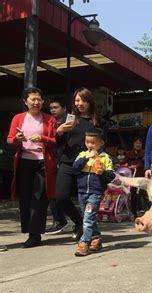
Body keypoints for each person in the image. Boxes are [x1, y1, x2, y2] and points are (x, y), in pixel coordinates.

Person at [6, 87, 57, 248]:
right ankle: (29, 230)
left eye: (39, 99)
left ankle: (35, 234)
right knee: (26, 197)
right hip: (24, 162)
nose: (36, 102)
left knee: (39, 197)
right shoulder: (18, 118)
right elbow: (9, 139)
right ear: (25, 101)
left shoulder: (49, 119)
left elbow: (55, 141)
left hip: (43, 162)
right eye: (32, 99)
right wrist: (17, 139)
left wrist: (42, 138)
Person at [55, 87, 101, 240]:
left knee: (85, 200)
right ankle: (79, 222)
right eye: (77, 100)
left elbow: (101, 145)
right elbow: (58, 143)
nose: (79, 103)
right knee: (60, 197)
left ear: (90, 101)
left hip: (86, 166)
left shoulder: (97, 122)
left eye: (83, 100)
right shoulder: (70, 119)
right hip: (67, 162)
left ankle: (89, 231)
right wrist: (59, 132)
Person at [72, 128, 115, 256]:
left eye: (93, 142)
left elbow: (111, 176)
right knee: (88, 218)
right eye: (87, 142)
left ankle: (84, 242)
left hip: (95, 192)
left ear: (101, 143)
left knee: (88, 218)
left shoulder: (105, 157)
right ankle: (96, 239)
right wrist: (86, 158)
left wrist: (103, 173)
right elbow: (75, 168)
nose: (90, 145)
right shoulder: (82, 155)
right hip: (82, 191)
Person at [45, 97, 68, 235]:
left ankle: (63, 220)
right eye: (51, 108)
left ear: (64, 108)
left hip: (66, 161)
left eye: (56, 107)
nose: (53, 110)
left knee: (59, 194)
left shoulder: (69, 121)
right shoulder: (51, 122)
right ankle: (58, 219)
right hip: (54, 159)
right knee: (53, 193)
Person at [124, 138, 146, 218]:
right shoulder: (129, 153)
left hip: (141, 175)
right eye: (136, 143)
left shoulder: (144, 153)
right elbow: (124, 162)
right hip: (131, 176)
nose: (138, 145)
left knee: (142, 193)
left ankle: (145, 210)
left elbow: (144, 163)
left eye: (139, 143)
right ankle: (133, 212)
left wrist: (136, 166)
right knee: (133, 194)